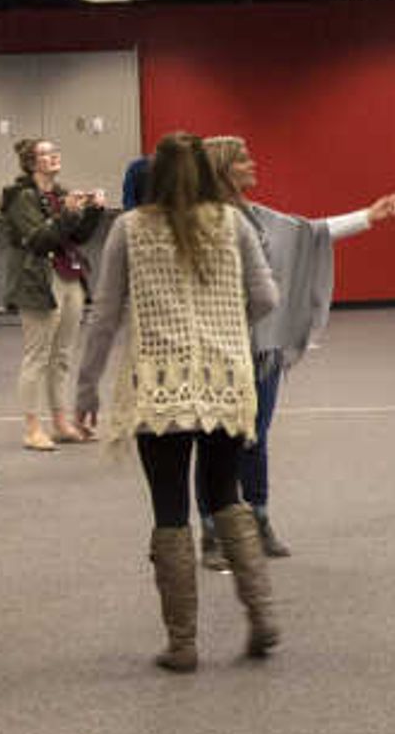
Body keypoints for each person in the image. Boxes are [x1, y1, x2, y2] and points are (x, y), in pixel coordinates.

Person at [74, 133, 280, 673]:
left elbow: (105, 315)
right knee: (226, 495)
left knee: (170, 510)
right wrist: (228, 328)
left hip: (159, 388)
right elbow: (267, 298)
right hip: (227, 382)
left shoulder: (129, 228)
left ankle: (183, 643)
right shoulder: (233, 223)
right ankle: (261, 615)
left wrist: (86, 386)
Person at [201, 134, 395, 559]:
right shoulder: (197, 223)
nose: (253, 164)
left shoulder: (260, 218)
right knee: (218, 439)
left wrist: (370, 215)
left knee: (256, 437)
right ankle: (213, 530)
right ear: (223, 170)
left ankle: (257, 518)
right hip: (217, 353)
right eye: (243, 160)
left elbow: (311, 233)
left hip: (264, 351)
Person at [0, 139, 110, 449]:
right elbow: (38, 240)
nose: (53, 157)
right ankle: (32, 427)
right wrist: (66, 215)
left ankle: (60, 422)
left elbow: (76, 237)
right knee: (38, 355)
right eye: (45, 153)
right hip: (38, 280)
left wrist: (92, 213)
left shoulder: (60, 194)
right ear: (31, 163)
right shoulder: (21, 198)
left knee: (62, 356)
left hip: (68, 276)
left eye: (55, 151)